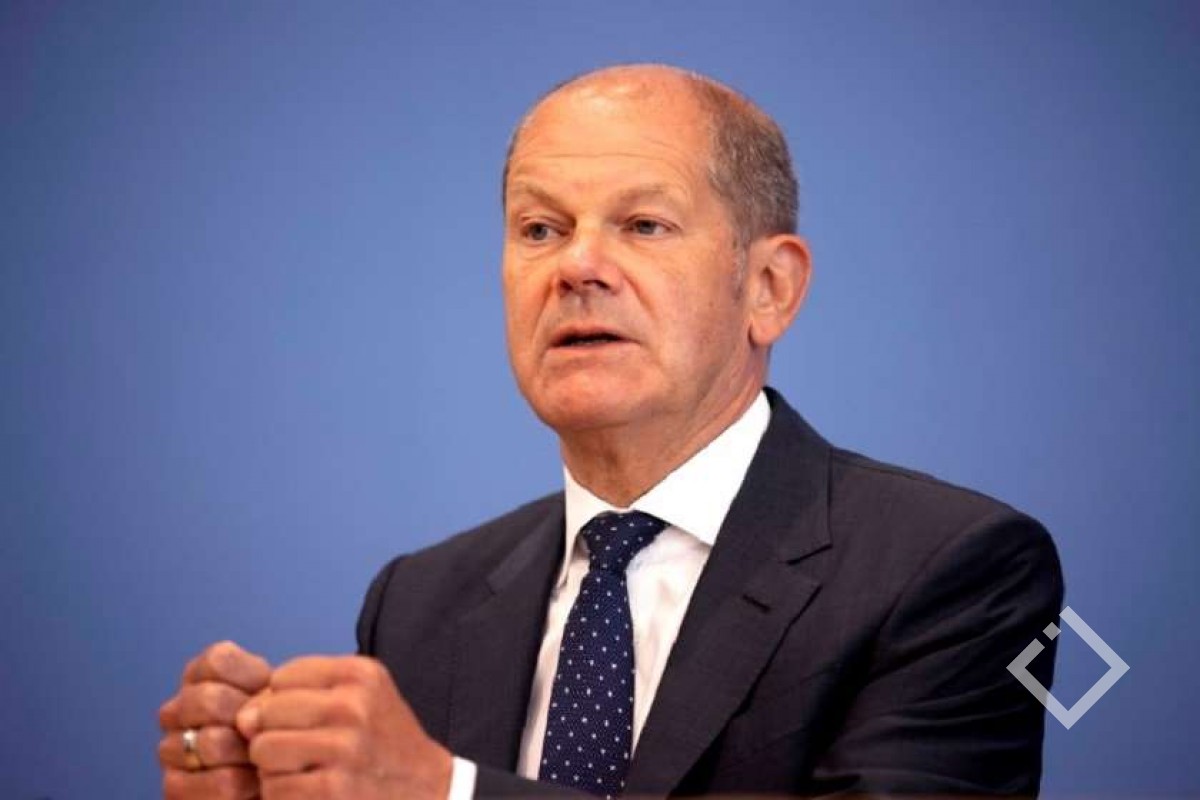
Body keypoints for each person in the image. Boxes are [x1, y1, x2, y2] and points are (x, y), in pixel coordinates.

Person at [156, 63, 1063, 799]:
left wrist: (450, 793)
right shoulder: (419, 603)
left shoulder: (957, 571)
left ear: (769, 288)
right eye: (539, 228)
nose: (578, 266)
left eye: (644, 224)